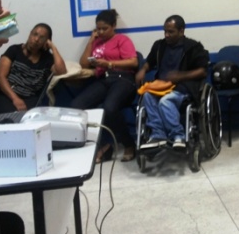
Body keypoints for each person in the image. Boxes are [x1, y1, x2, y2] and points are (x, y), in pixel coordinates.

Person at [70, 9, 138, 163]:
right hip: (103, 79)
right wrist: (90, 41)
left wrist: (109, 64)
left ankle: (128, 144)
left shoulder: (122, 39)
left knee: (109, 108)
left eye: (104, 28)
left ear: (114, 26)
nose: (101, 32)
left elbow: (133, 62)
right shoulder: (97, 42)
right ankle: (100, 145)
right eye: (98, 29)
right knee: (76, 105)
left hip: (123, 79)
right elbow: (84, 64)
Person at [136, 15, 209, 150]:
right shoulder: (159, 46)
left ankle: (178, 136)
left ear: (181, 31)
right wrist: (143, 70)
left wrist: (180, 76)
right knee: (147, 96)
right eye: (165, 31)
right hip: (161, 85)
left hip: (183, 87)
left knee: (165, 101)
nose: (166, 35)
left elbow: (202, 71)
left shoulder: (193, 47)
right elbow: (149, 62)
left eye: (171, 32)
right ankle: (158, 134)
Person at [0, 23, 67, 114]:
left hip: (31, 99)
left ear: (47, 41)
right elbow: (1, 77)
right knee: (12, 116)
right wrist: (15, 99)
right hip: (7, 96)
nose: (36, 39)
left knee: (31, 117)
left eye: (42, 38)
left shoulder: (47, 59)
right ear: (30, 34)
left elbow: (61, 71)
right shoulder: (14, 50)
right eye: (35, 34)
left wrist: (53, 47)